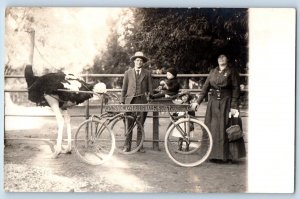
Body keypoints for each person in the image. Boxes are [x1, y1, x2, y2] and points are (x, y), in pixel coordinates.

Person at [191, 54, 246, 163]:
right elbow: (205, 88)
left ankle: (228, 156)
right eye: (219, 57)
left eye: (224, 57)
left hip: (227, 102)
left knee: (226, 128)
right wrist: (197, 102)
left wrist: (234, 106)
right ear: (217, 60)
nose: (221, 58)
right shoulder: (213, 72)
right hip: (214, 104)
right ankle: (212, 155)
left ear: (227, 59)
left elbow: (236, 89)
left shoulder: (232, 72)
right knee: (212, 127)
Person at [121, 51, 153, 153]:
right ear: (134, 61)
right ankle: (127, 146)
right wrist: (122, 101)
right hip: (130, 102)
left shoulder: (147, 73)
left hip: (142, 101)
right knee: (129, 124)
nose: (139, 62)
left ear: (143, 62)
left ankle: (139, 146)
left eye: (141, 60)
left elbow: (150, 89)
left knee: (140, 124)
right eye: (137, 60)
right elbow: (124, 88)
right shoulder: (128, 73)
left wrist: (151, 98)